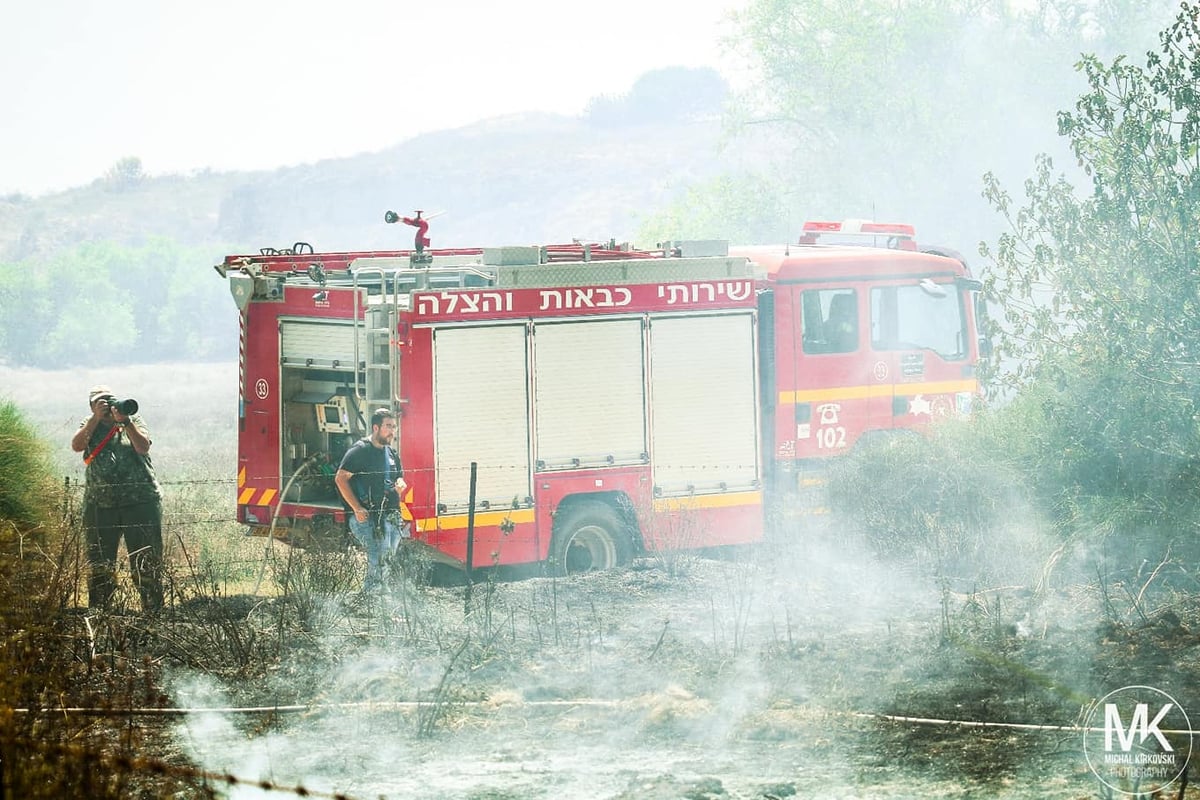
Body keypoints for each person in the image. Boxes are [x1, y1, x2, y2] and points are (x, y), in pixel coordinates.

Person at [70, 385, 164, 612]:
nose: (106, 406)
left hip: (140, 502)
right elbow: (77, 445)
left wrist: (126, 422)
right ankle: (101, 612)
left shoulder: (132, 420)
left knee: (145, 560)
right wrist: (95, 419)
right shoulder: (88, 423)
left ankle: (153, 612)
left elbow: (143, 448)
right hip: (101, 505)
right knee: (100, 561)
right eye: (100, 402)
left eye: (109, 401)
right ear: (92, 406)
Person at [335, 408, 408, 592]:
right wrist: (357, 508)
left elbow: (398, 477)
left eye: (394, 427)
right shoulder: (360, 450)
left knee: (387, 559)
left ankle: (378, 599)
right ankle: (372, 599)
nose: (392, 431)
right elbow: (340, 478)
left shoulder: (391, 454)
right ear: (376, 427)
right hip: (368, 518)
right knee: (379, 556)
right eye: (388, 426)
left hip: (391, 516)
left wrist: (400, 483)